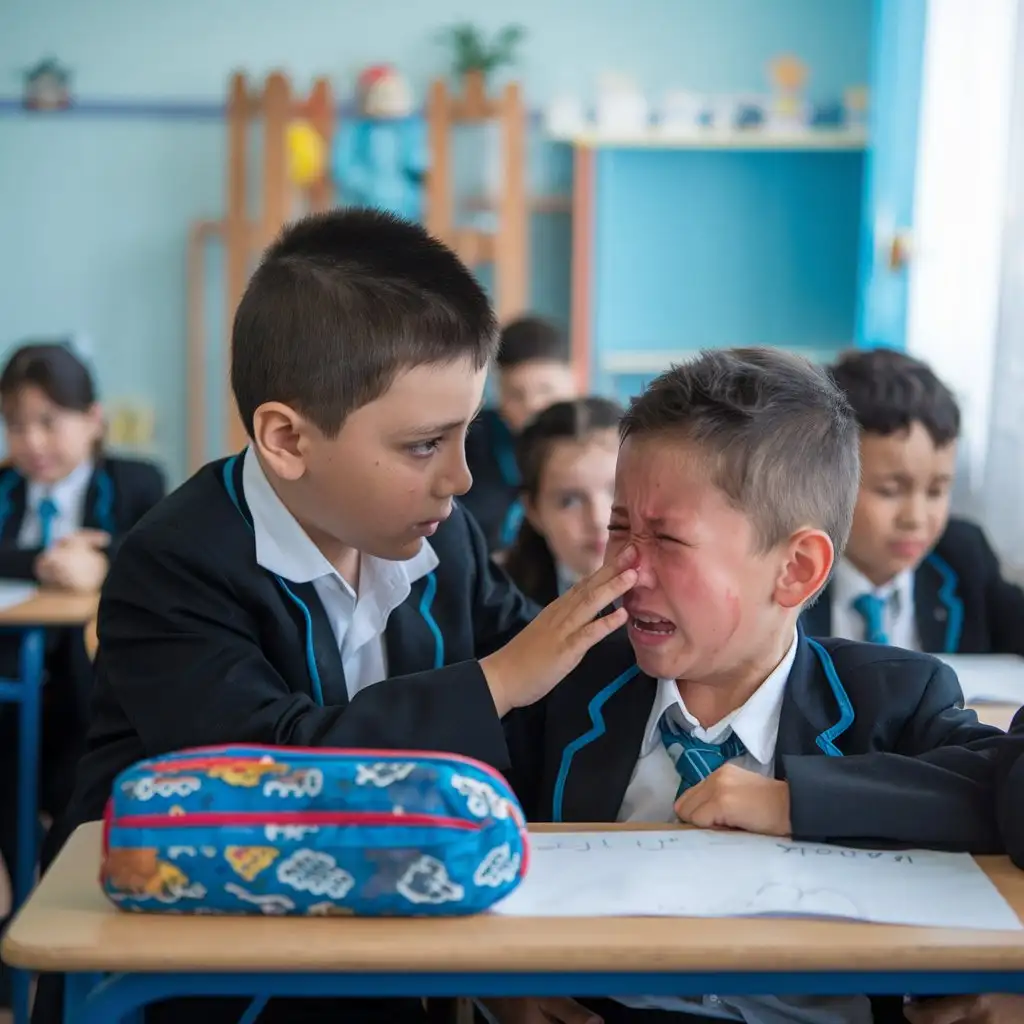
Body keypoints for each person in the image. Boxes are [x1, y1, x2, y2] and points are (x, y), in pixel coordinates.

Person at [36, 210, 635, 1024]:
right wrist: (497, 681)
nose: (461, 478)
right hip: (190, 967)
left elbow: (545, 682)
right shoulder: (172, 563)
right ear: (286, 438)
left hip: (386, 937)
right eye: (427, 444)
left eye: (469, 435)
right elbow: (271, 774)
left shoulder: (441, 536)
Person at [498, 348, 1008, 1024]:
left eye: (668, 541)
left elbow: (1000, 787)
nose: (628, 566)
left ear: (795, 570)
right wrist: (498, 982)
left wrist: (799, 802)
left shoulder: (892, 701)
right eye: (621, 527)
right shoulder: (563, 691)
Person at [0, 342, 165, 1008]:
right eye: (16, 423)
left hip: (88, 697)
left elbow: (158, 549)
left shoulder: (136, 482)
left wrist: (103, 566)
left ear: (94, 418)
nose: (32, 440)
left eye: (49, 420)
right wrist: (43, 561)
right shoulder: (5, 489)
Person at [802, 348, 1024, 654]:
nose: (916, 518)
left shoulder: (963, 557)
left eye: (936, 491)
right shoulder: (791, 570)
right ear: (824, 481)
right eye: (890, 490)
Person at [462, 315, 577, 551]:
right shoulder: (468, 440)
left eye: (546, 390)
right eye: (516, 395)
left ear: (573, 380)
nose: (533, 406)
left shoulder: (601, 441)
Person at [504, 397, 622, 605]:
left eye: (620, 491)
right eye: (569, 501)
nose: (599, 519)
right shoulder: (499, 604)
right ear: (534, 511)